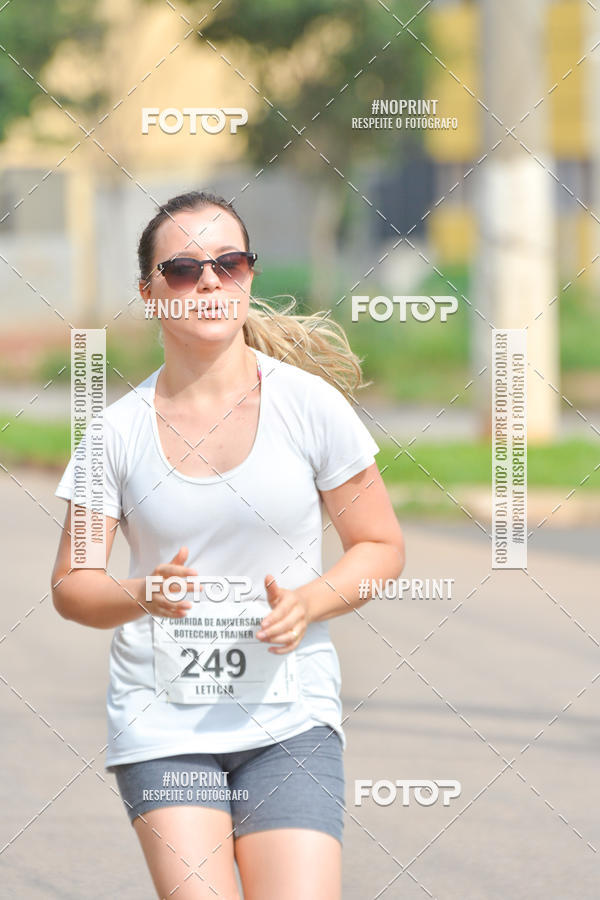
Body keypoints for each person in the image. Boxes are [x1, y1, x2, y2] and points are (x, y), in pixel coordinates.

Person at [51, 190, 405, 900]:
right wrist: (139, 594)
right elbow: (72, 585)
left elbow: (378, 545)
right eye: (182, 270)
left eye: (229, 262)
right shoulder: (113, 435)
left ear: (248, 276)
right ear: (150, 294)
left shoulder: (310, 407)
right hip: (165, 726)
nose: (209, 282)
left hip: (289, 718)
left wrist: (309, 601)